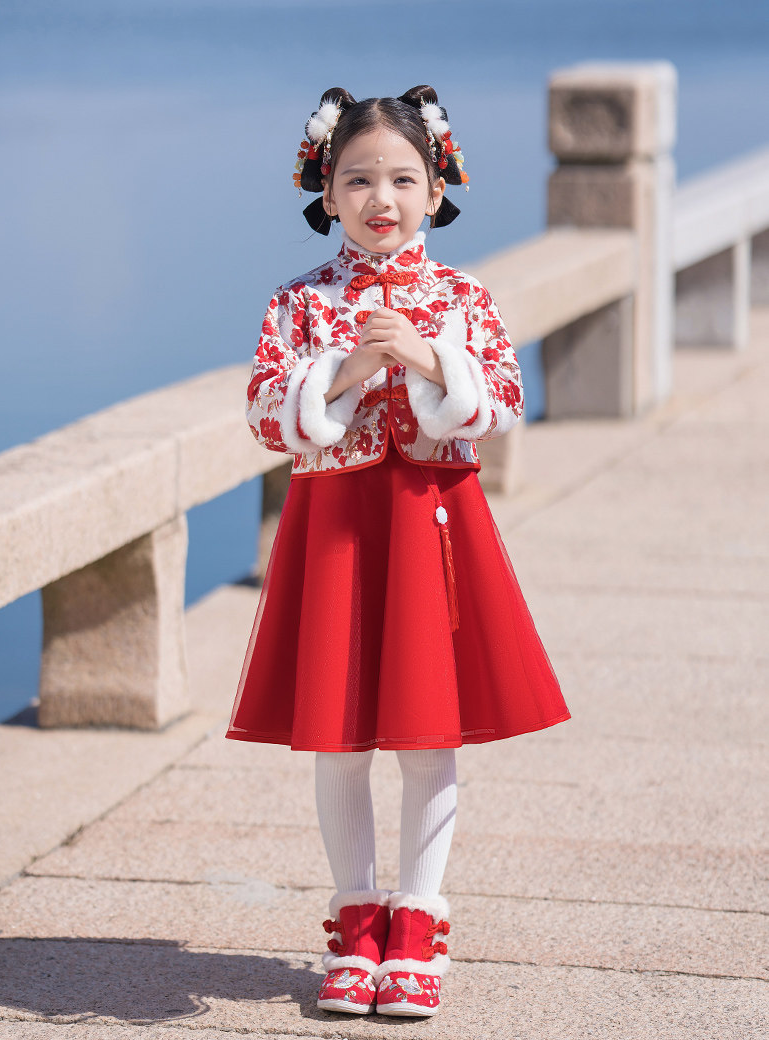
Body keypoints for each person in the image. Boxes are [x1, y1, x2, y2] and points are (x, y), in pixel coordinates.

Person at [225, 85, 570, 1018]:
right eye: (359, 178)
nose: (383, 197)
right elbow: (265, 414)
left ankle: (417, 924)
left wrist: (428, 360)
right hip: (335, 529)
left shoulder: (463, 299)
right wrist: (342, 372)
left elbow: (500, 406)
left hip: (431, 523)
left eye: (404, 178)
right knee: (335, 737)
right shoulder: (298, 303)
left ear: (437, 187)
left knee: (428, 732)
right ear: (326, 192)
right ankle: (354, 921)